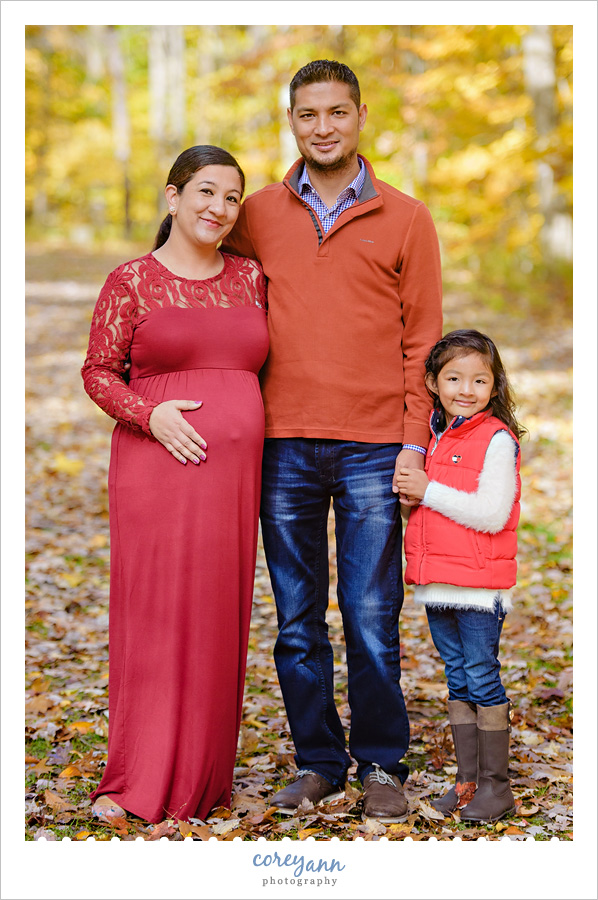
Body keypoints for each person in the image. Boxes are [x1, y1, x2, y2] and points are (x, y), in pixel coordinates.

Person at [223, 60, 442, 821]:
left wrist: (415, 443)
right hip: (280, 442)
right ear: (291, 120)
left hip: (374, 445)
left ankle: (381, 762)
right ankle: (319, 762)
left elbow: (423, 342)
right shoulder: (256, 213)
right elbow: (212, 294)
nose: (323, 127)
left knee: (372, 614)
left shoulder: (407, 217)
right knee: (296, 620)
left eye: (337, 112)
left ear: (360, 116)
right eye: (308, 114)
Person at [81, 146, 268, 823]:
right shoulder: (132, 280)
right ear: (173, 196)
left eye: (231, 197)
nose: (219, 208)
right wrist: (148, 413)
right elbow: (98, 371)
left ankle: (204, 780)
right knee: (158, 615)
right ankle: (139, 777)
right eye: (206, 192)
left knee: (218, 617)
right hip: (156, 469)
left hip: (233, 481)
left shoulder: (251, 278)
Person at [396, 329, 525, 823]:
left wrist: (426, 489)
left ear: (494, 386)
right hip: (438, 583)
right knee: (457, 677)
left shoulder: (497, 440)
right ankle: (467, 781)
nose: (465, 390)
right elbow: (430, 511)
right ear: (433, 382)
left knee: (481, 676)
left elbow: (492, 514)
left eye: (479, 380)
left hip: (478, 588)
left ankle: (496, 786)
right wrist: (411, 499)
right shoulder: (434, 437)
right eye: (453, 378)